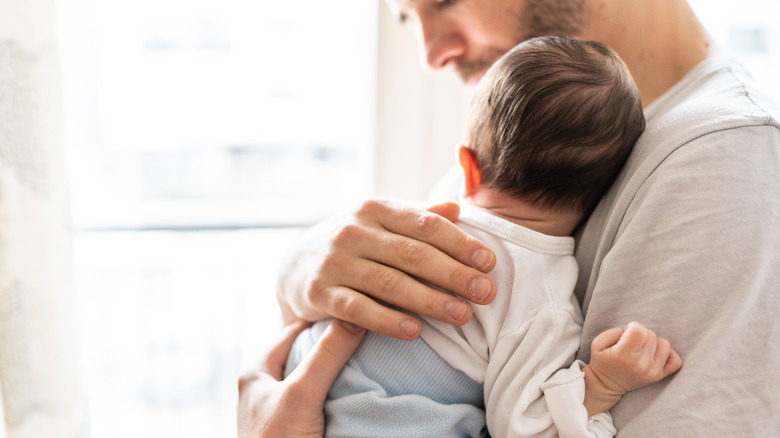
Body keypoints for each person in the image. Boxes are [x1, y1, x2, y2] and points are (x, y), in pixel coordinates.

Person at [239, 0, 780, 436]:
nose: (431, 53)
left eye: (444, 2)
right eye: (406, 17)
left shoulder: (722, 160)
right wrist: (300, 269)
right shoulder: (530, 137)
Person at [283, 36, 681, 437]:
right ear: (603, 195)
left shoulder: (411, 228)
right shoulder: (541, 302)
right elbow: (523, 427)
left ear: (467, 168)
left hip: (297, 379)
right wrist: (602, 385)